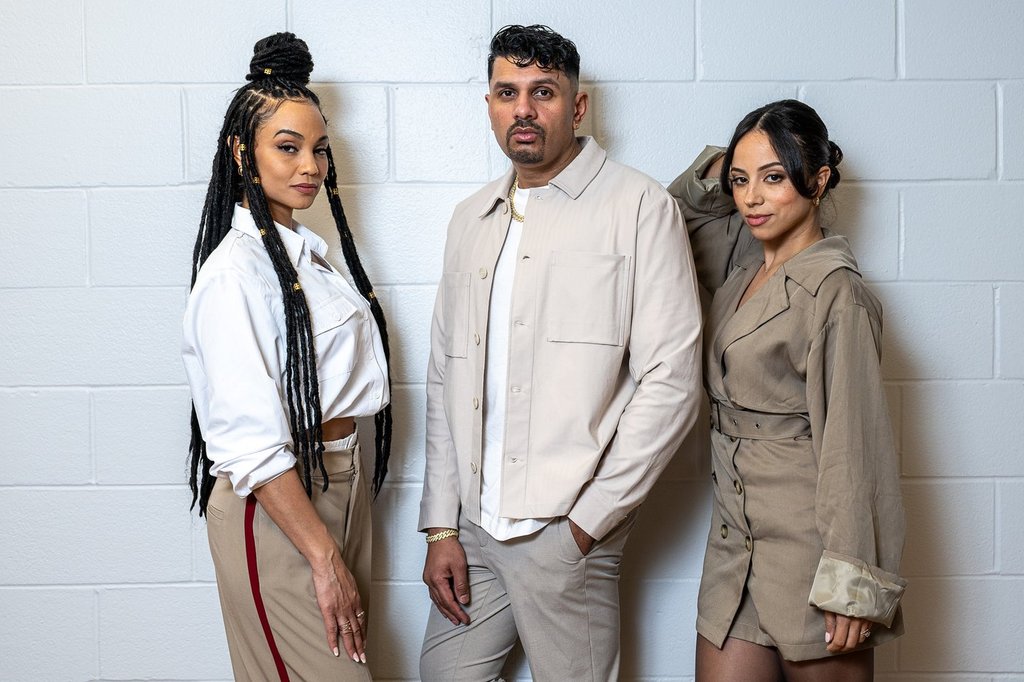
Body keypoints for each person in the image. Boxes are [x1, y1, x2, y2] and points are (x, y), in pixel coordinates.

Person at [418, 24, 703, 681]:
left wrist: (586, 526)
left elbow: (673, 379)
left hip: (566, 534)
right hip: (473, 533)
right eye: (506, 92)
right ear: (489, 104)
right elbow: (443, 378)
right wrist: (440, 528)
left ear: (577, 107)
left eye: (542, 92)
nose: (523, 108)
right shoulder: (469, 218)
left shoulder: (638, 207)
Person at [667, 99, 906, 681]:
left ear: (818, 180)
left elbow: (856, 449)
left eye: (773, 178)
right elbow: (677, 212)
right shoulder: (743, 266)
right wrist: (727, 159)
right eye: (741, 181)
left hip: (812, 553)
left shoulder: (837, 293)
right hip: (734, 546)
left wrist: (851, 577)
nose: (750, 198)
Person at [181, 32, 392, 680]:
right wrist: (322, 555)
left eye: (319, 150)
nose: (310, 166)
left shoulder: (308, 259)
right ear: (242, 151)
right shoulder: (233, 276)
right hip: (280, 509)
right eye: (288, 147)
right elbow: (249, 445)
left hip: (338, 487)